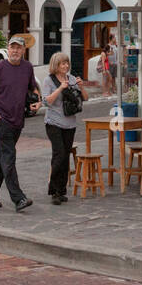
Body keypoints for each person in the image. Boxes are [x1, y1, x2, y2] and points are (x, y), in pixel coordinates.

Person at [0, 35, 41, 211]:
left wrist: (38, 100)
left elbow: (32, 88)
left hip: (18, 120)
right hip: (3, 120)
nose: (15, 51)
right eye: (12, 47)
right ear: (8, 49)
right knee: (9, 157)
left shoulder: (27, 67)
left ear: (23, 50)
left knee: (3, 159)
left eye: (18, 48)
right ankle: (18, 198)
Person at [42, 51, 87, 204]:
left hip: (70, 123)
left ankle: (61, 190)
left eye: (67, 63)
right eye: (63, 63)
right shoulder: (48, 80)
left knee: (65, 156)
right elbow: (46, 102)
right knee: (59, 154)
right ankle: (53, 190)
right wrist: (60, 88)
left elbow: (85, 98)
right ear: (56, 65)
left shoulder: (72, 79)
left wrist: (81, 87)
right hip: (53, 122)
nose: (66, 66)